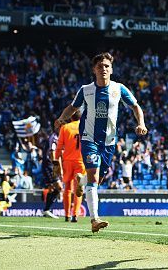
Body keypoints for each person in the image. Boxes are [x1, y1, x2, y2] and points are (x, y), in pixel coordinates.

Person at [54, 52, 147, 233]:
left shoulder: (119, 89)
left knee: (97, 179)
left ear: (111, 69)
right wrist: (61, 119)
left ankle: (81, 183)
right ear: (94, 70)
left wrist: (141, 123)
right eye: (99, 66)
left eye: (106, 66)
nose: (103, 69)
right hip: (89, 139)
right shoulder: (86, 90)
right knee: (94, 177)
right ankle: (94, 219)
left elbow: (136, 106)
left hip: (109, 142)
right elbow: (73, 107)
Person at [55, 110, 85, 222]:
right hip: (80, 161)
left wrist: (56, 159)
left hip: (67, 161)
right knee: (79, 188)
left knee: (67, 188)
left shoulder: (65, 128)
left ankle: (67, 215)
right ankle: (75, 215)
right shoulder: (85, 127)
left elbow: (59, 146)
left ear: (71, 118)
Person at [39, 132, 62, 219]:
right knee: (59, 188)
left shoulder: (54, 137)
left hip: (48, 165)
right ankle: (46, 209)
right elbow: (52, 152)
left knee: (52, 189)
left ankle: (46, 210)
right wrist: (56, 166)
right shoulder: (54, 137)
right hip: (49, 166)